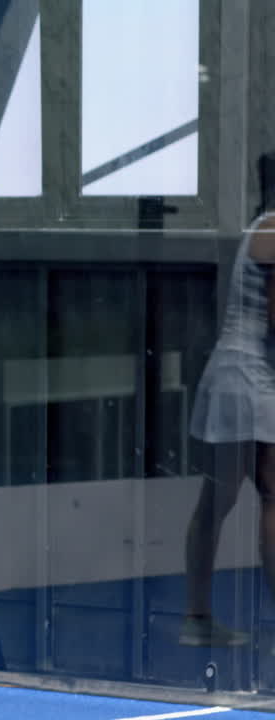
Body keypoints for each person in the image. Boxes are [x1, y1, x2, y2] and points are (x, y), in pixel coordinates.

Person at [180, 156, 275, 649]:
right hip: (251, 379)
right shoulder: (274, 230)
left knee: (216, 502)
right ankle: (199, 619)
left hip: (241, 377)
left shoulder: (266, 227)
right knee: (269, 498)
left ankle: (196, 618)